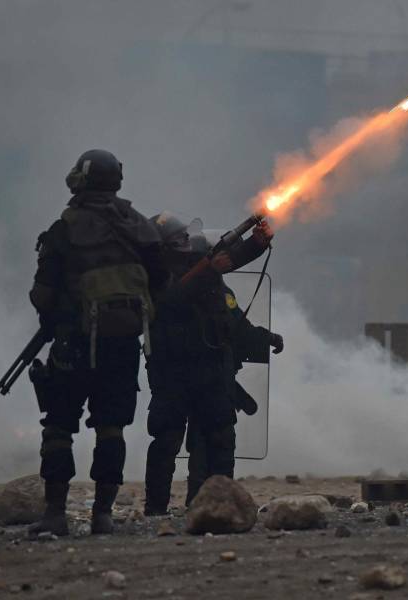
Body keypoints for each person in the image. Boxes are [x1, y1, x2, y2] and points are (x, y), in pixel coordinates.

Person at [28, 149, 166, 535]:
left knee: (58, 428)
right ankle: (102, 515)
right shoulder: (140, 228)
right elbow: (161, 283)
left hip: (73, 344)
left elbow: (42, 294)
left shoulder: (64, 229)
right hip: (122, 347)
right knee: (111, 429)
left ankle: (55, 514)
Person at [143, 214, 282, 515]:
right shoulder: (154, 275)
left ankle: (218, 505)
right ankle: (155, 511)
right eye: (178, 239)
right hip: (172, 373)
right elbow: (172, 299)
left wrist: (257, 244)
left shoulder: (206, 273)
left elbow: (230, 261)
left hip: (210, 371)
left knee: (219, 438)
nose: (186, 244)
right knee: (166, 439)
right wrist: (208, 270)